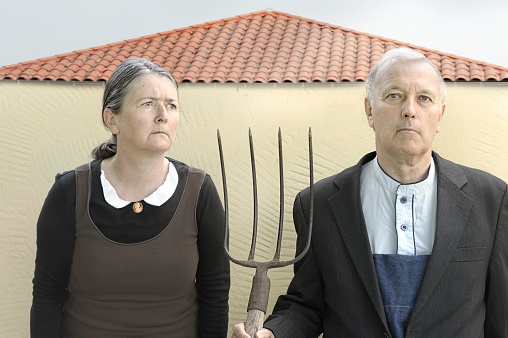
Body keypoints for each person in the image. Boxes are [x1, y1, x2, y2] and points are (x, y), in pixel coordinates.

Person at [232, 48, 507, 337]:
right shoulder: (318, 204)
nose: (409, 110)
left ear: (440, 115)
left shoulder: (491, 199)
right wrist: (274, 334)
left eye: (424, 98)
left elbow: (502, 316)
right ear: (369, 110)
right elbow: (306, 307)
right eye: (394, 96)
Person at [31, 57, 230, 337]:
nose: (162, 114)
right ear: (112, 119)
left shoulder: (200, 192)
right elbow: (47, 295)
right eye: (148, 103)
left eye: (171, 105)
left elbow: (215, 292)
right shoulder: (69, 193)